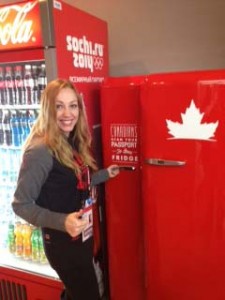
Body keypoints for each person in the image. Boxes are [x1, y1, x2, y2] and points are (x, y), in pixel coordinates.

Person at [12, 78, 120, 300]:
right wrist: (63, 222)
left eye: (73, 105)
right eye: (59, 106)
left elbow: (74, 182)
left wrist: (104, 174)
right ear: (48, 110)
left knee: (77, 293)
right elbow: (21, 205)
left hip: (82, 236)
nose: (67, 113)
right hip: (63, 246)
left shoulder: (70, 139)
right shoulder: (40, 151)